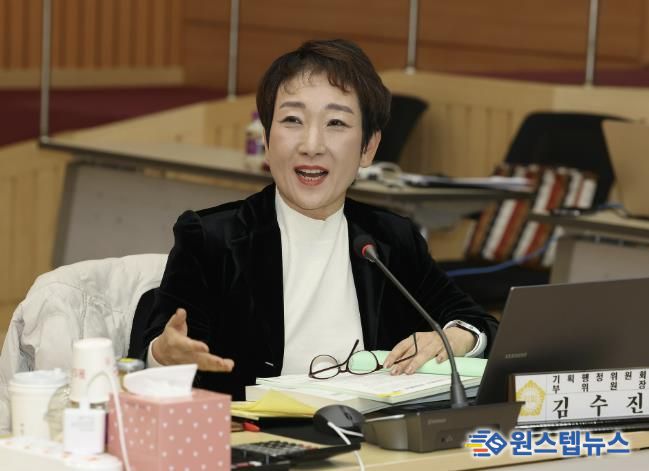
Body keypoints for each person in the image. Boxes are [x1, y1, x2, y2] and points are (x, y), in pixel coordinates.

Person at [138, 39, 498, 399]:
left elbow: (480, 324)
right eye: (292, 120)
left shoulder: (390, 238)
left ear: (368, 147)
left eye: (336, 123)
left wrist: (456, 337)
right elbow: (158, 347)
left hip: (369, 430)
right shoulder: (211, 238)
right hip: (254, 428)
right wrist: (163, 355)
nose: (312, 145)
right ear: (266, 140)